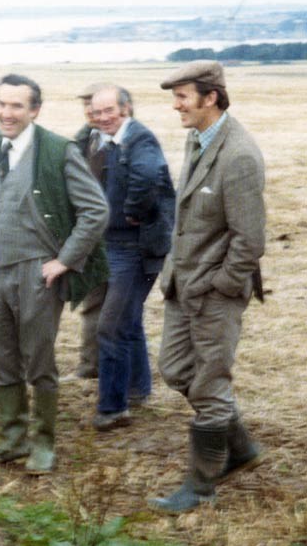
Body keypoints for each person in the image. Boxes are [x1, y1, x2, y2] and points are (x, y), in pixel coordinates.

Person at [0, 74, 109, 474]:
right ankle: (12, 440)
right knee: (1, 358)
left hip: (37, 273)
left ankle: (44, 444)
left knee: (38, 360)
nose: (6, 112)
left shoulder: (57, 151)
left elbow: (95, 211)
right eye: (1, 103)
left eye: (16, 105)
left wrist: (65, 260)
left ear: (34, 110)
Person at [150, 60, 265, 512]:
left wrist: (222, 285)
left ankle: (200, 486)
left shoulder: (238, 155)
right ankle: (241, 449)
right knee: (177, 370)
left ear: (210, 97)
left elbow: (249, 238)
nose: (176, 105)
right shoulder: (197, 139)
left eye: (182, 96)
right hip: (183, 286)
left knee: (210, 387)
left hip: (214, 294)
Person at [89, 85, 175, 431]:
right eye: (97, 112)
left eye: (109, 110)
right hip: (116, 245)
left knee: (110, 328)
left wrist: (132, 210)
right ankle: (138, 389)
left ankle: (113, 408)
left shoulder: (140, 139)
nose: (103, 117)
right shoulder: (109, 140)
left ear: (126, 108)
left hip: (135, 248)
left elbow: (148, 175)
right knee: (129, 320)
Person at [73, 82, 108, 379]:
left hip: (109, 237)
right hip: (93, 235)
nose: (89, 112)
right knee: (93, 303)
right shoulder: (87, 139)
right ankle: (90, 365)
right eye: (86, 106)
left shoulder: (117, 140)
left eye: (94, 106)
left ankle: (93, 367)